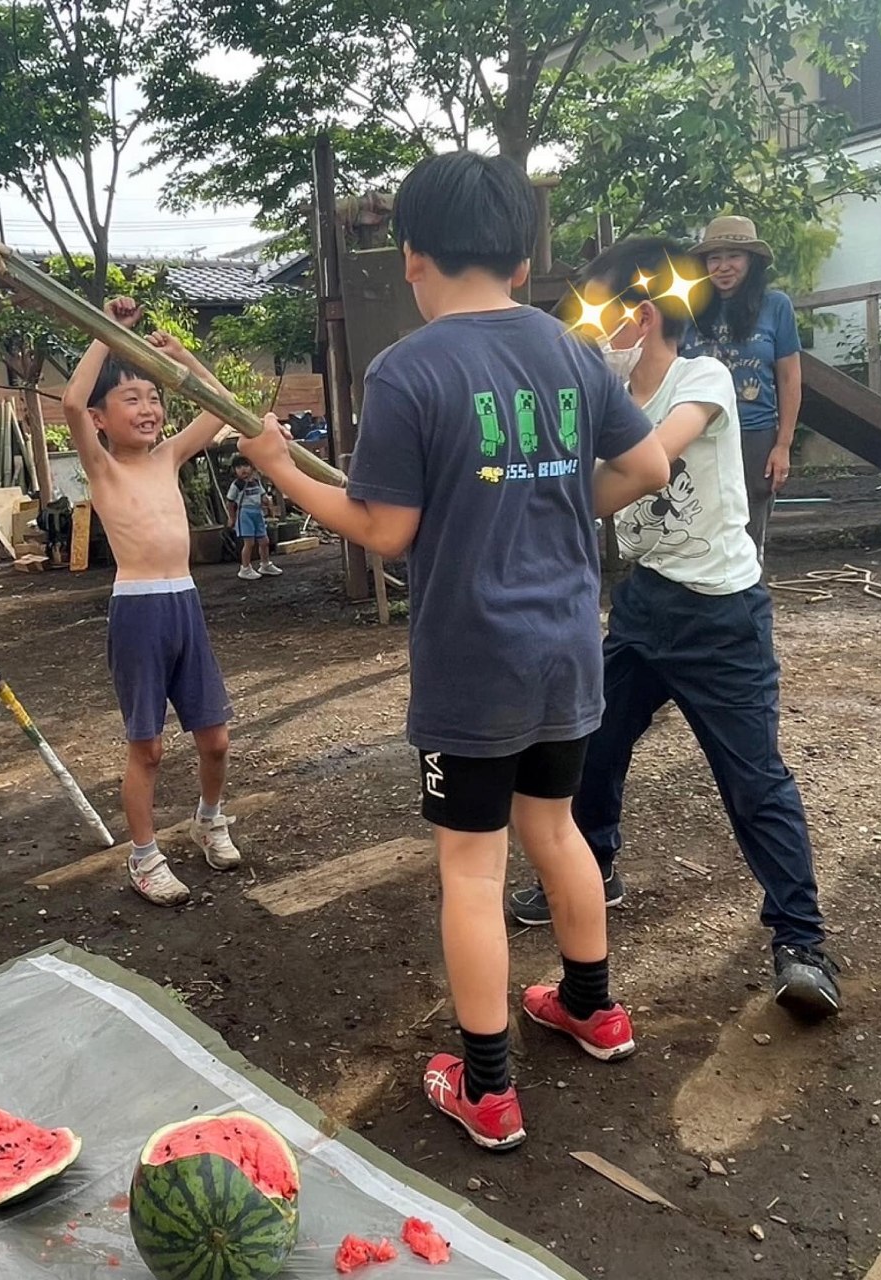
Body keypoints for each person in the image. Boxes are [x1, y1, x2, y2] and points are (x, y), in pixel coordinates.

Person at [238, 151, 670, 1151]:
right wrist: (557, 510)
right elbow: (647, 464)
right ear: (521, 262)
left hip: (473, 661)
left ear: (411, 257)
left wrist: (276, 467)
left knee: (472, 869)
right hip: (567, 646)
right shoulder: (571, 352)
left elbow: (384, 529)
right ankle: (593, 1009)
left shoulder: (408, 368)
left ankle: (486, 1087)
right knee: (555, 829)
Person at [508, 237, 842, 1019]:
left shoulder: (703, 379)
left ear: (644, 315)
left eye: (596, 315)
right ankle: (595, 867)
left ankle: (801, 944)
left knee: (753, 781)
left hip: (721, 616)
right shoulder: (605, 396)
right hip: (646, 604)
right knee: (592, 745)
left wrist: (536, 493)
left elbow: (639, 468)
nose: (586, 331)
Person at [61, 299, 242, 908]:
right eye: (131, 399)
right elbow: (70, 403)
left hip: (185, 603)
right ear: (101, 419)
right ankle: (144, 857)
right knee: (150, 747)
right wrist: (108, 335)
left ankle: (208, 820)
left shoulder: (169, 456)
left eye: (153, 397)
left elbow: (222, 407)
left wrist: (183, 357)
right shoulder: (102, 467)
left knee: (214, 738)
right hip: (139, 612)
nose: (147, 409)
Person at [683, 215, 801, 561]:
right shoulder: (685, 309)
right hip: (695, 435)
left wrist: (783, 444)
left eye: (734, 256)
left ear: (751, 261)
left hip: (754, 433)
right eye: (714, 258)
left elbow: (790, 378)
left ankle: (750, 593)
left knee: (749, 535)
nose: (723, 267)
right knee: (695, 526)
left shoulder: (775, 306)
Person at [225, 454, 281, 580]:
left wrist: (268, 503)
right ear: (234, 470)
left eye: (245, 466)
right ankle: (245, 568)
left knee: (264, 541)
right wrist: (232, 518)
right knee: (249, 543)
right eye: (239, 467)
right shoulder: (237, 485)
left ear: (251, 467)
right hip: (245, 514)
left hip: (257, 512)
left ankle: (265, 564)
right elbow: (230, 502)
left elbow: (262, 495)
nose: (243, 469)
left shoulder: (256, 481)